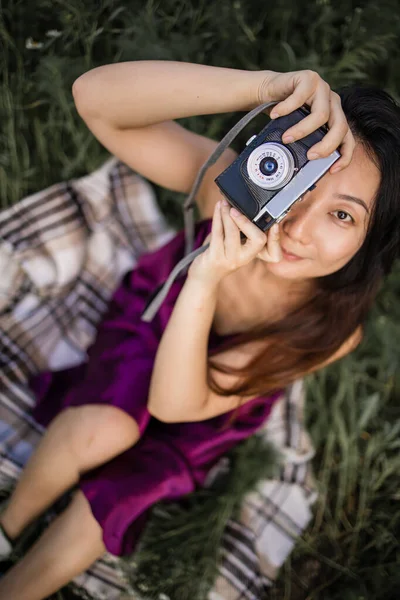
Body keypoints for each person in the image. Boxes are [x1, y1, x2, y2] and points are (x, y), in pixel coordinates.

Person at [0, 61, 398, 600]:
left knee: (120, 497)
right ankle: (9, 525)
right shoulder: (226, 194)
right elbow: (94, 99)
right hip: (151, 326)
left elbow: (175, 407)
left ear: (371, 242)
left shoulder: (332, 327)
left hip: (206, 403)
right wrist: (263, 87)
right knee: (102, 428)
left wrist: (206, 279)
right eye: (305, 181)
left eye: (343, 216)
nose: (298, 226)